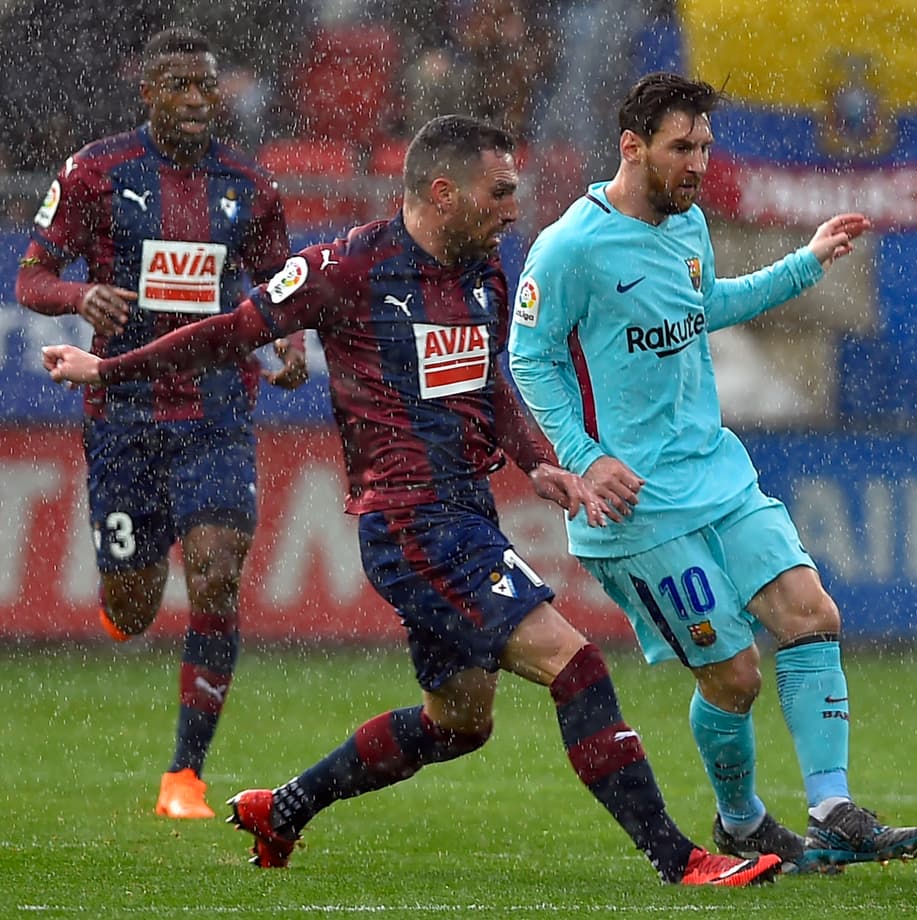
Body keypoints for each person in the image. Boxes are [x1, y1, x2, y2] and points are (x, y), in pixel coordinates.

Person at [41, 115, 782, 888]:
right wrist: (108, 369)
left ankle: (284, 808)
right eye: (498, 193)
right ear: (442, 192)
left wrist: (538, 464)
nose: (511, 209)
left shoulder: (487, 270)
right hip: (408, 521)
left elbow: (489, 382)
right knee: (578, 665)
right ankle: (683, 859)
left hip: (464, 513)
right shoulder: (345, 267)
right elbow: (229, 332)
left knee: (459, 723)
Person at [507, 72, 917, 873]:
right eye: (682, 148)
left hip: (718, 474)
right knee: (735, 678)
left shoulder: (689, 222)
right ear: (632, 147)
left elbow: (709, 305)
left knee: (812, 614)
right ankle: (740, 823)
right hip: (638, 511)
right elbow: (528, 355)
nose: (699, 163)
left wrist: (805, 263)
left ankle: (834, 809)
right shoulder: (571, 246)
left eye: (705, 146)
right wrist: (586, 458)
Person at [15, 27, 308, 820]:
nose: (191, 101)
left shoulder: (248, 186)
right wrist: (81, 298)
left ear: (218, 95)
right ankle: (123, 604)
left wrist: (287, 341)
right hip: (124, 416)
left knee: (215, 571)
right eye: (175, 86)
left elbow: (281, 286)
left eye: (203, 87)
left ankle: (185, 776)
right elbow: (33, 276)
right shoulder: (97, 172)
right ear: (146, 91)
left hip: (217, 413)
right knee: (136, 603)